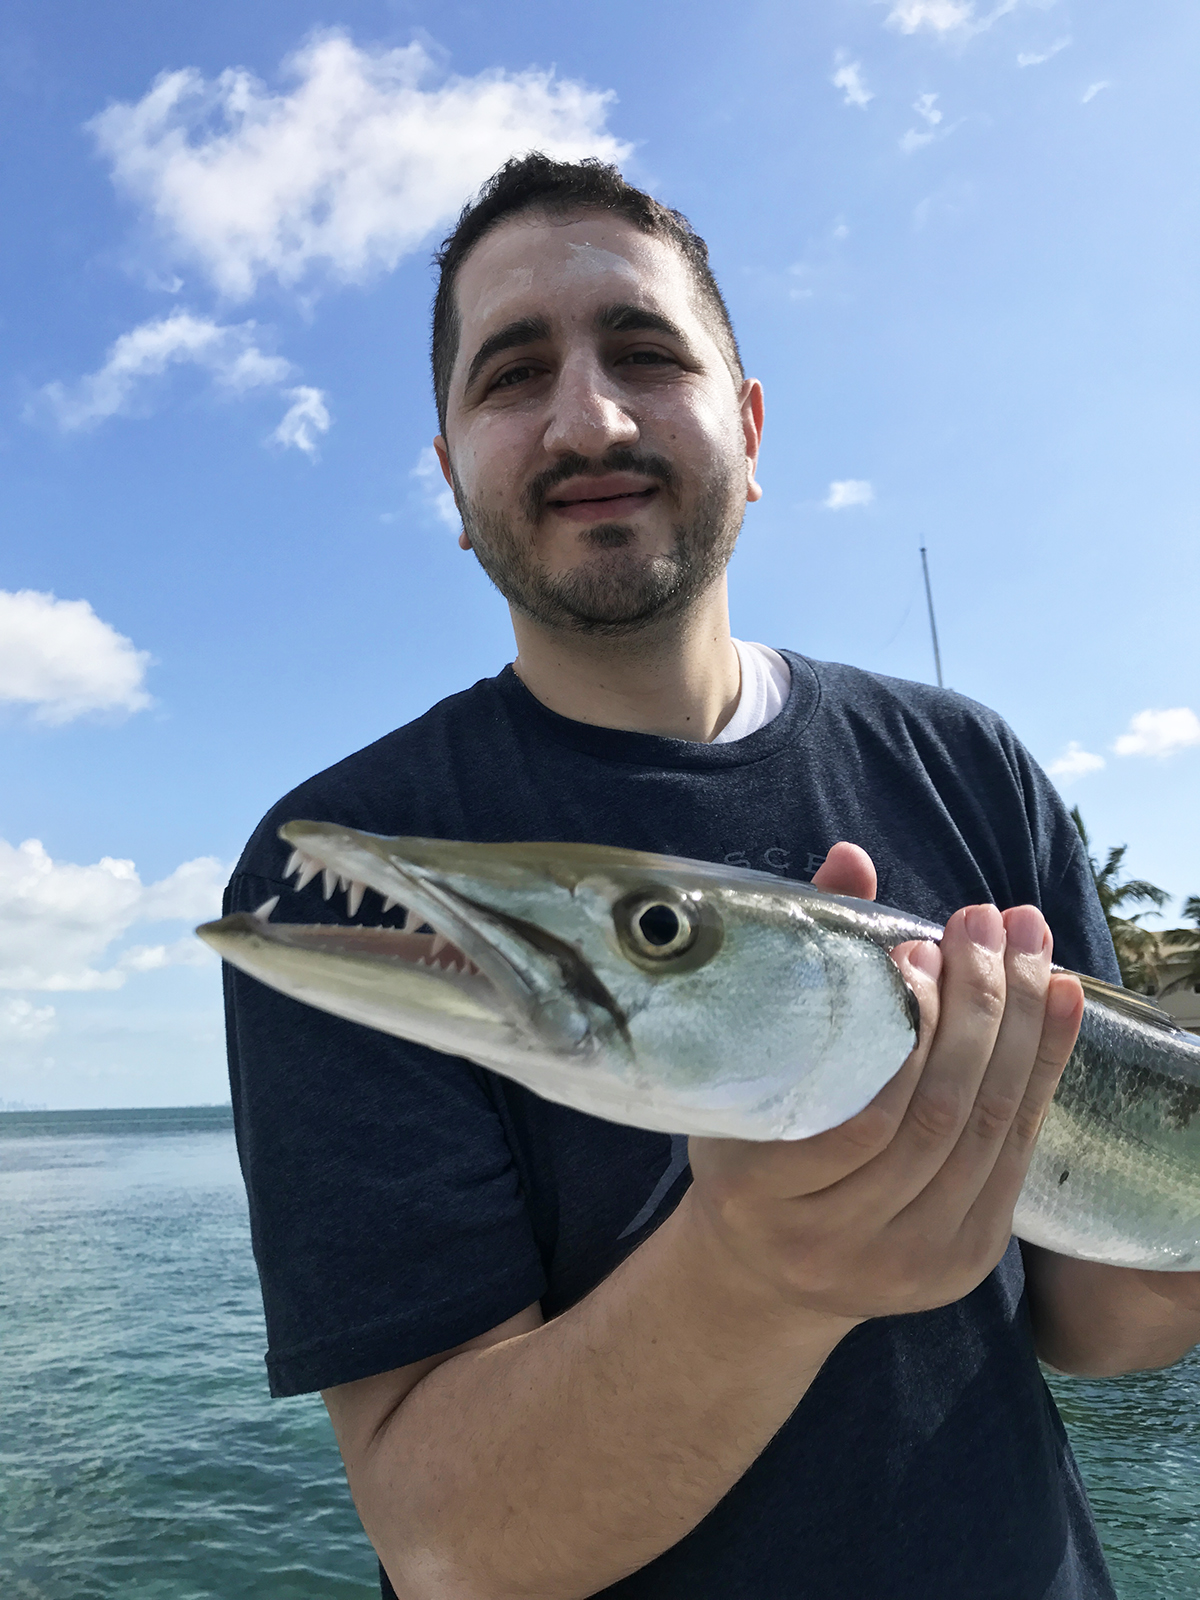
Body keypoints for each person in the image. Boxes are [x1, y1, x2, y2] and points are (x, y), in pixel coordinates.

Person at [223, 155, 1200, 1600]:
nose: (590, 418)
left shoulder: (971, 763)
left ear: (748, 429)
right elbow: (453, 1546)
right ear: (449, 469)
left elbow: (1099, 1322)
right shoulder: (348, 874)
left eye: (644, 352)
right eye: (509, 375)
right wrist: (762, 1273)